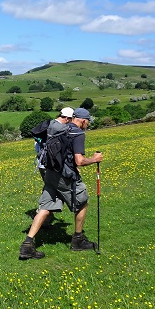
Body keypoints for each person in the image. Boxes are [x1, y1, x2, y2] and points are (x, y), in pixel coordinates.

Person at [20, 108, 103, 259]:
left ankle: (27, 245)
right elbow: (79, 160)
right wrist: (94, 159)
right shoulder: (77, 134)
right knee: (82, 202)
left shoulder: (60, 129)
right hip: (65, 177)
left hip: (50, 173)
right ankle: (78, 240)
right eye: (87, 122)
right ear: (83, 121)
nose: (87, 125)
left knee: (45, 207)